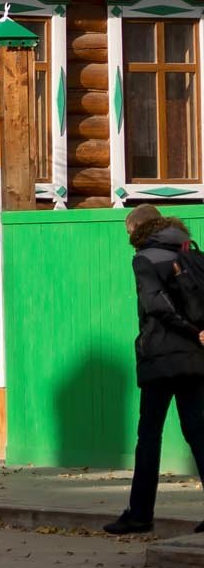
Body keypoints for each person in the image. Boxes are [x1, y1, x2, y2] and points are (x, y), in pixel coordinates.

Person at [106, 205, 204, 535]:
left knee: (149, 436)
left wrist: (188, 330)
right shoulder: (189, 249)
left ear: (137, 229)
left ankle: (140, 514)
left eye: (128, 232)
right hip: (195, 358)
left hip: (161, 357)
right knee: (199, 433)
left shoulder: (145, 258)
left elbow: (157, 305)